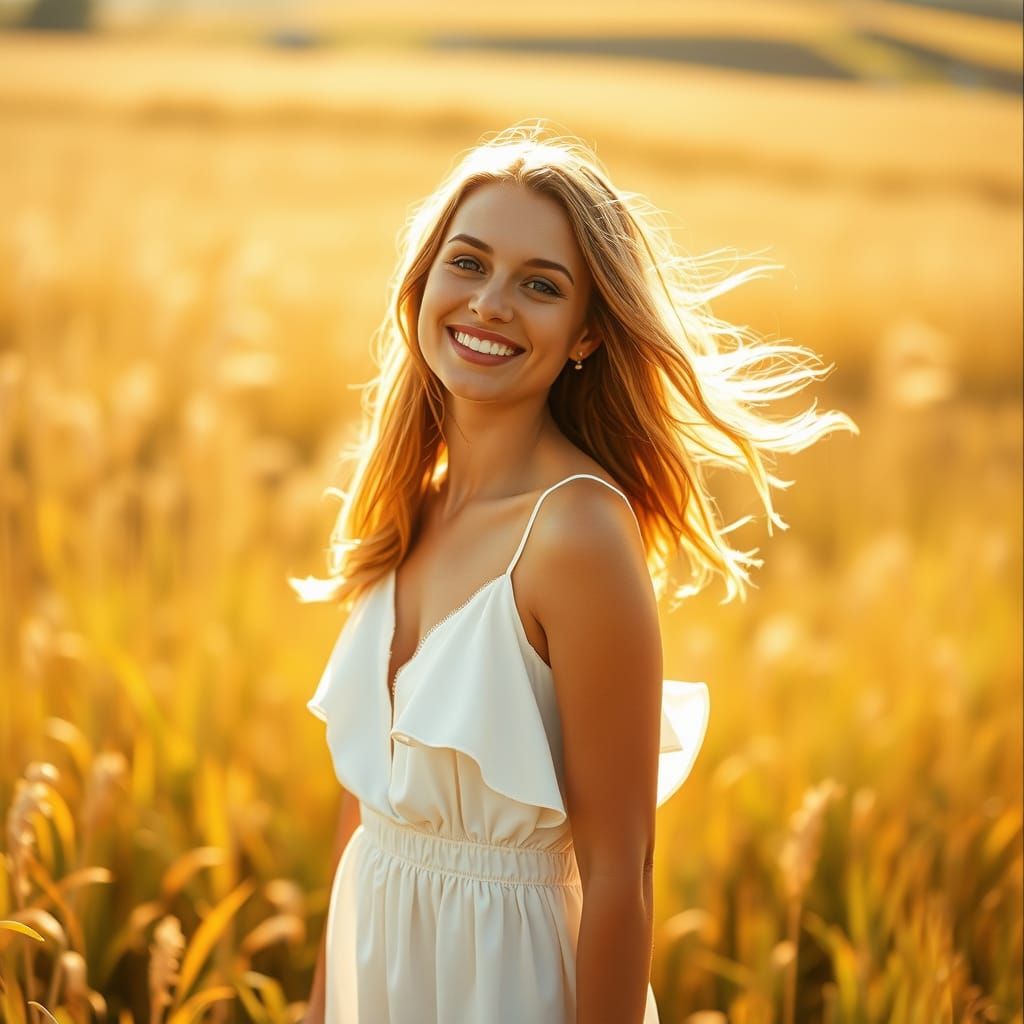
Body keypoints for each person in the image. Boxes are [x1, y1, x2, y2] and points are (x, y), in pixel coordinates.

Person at [292, 123, 857, 1024]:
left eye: (540, 285)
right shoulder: (411, 505)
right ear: (426, 282)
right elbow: (364, 811)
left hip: (507, 987)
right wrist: (321, 1009)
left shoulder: (578, 534)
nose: (489, 305)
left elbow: (621, 873)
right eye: (467, 264)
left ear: (587, 333)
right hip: (380, 977)